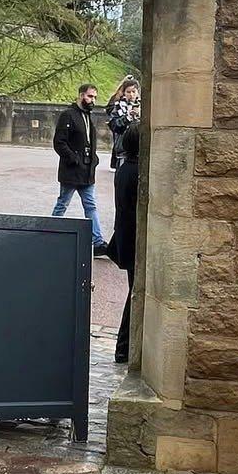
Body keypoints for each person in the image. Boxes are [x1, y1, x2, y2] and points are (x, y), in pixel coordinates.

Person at [51, 83, 108, 255]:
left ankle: (97, 242)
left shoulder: (88, 116)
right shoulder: (68, 115)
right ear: (81, 95)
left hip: (87, 171)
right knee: (62, 204)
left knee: (90, 205)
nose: (93, 100)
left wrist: (93, 160)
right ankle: (49, 233)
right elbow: (59, 142)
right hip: (72, 170)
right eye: (90, 96)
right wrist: (73, 159)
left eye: (95, 97)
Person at [107, 121, 139, 363]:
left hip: (126, 239)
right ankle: (124, 347)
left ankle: (125, 346)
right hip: (131, 241)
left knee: (134, 292)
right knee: (135, 293)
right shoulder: (134, 170)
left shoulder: (126, 167)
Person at [106, 76, 141, 170]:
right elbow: (115, 126)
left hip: (140, 150)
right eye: (128, 92)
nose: (131, 95)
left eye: (134, 92)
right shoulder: (118, 107)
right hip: (123, 151)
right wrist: (127, 117)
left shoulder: (143, 106)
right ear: (124, 93)